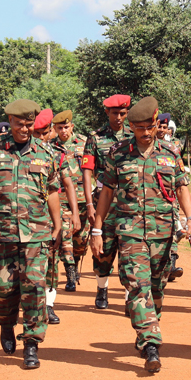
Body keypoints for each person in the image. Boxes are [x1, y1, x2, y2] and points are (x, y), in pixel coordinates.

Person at [91, 96, 191, 373]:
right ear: (132, 127)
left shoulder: (170, 153)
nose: (146, 133)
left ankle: (148, 327)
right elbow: (106, 192)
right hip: (130, 232)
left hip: (163, 232)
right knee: (138, 286)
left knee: (156, 286)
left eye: (150, 127)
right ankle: (151, 342)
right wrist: (97, 228)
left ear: (156, 122)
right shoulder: (118, 153)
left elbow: (182, 188)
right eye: (139, 128)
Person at [0, 99, 62, 369]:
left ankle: (31, 344)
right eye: (20, 123)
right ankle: (6, 323)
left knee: (35, 289)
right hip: (1, 234)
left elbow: (53, 190)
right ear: (10, 122)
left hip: (36, 234)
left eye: (29, 124)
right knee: (3, 289)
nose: (25, 128)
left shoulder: (46, 154)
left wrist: (58, 225)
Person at [82, 94, 133, 309]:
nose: (119, 117)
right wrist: (89, 204)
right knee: (104, 248)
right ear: (107, 113)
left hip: (130, 201)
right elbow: (87, 171)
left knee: (131, 248)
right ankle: (102, 289)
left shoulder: (134, 134)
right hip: (104, 200)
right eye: (115, 113)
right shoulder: (95, 138)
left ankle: (130, 296)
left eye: (123, 113)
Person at [32, 109, 79, 324]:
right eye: (37, 134)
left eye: (44, 133)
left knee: (51, 260)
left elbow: (68, 184)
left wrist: (75, 213)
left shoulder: (55, 156)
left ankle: (49, 304)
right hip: (27, 219)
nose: (41, 138)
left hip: (52, 215)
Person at [53, 110, 90, 291]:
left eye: (66, 127)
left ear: (72, 127)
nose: (63, 131)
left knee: (81, 240)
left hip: (84, 198)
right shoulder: (50, 147)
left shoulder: (84, 144)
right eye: (59, 128)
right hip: (61, 200)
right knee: (65, 236)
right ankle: (70, 274)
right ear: (55, 128)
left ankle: (74, 263)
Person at [157, 112, 183, 281]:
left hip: (171, 197)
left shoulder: (174, 146)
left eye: (165, 127)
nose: (161, 130)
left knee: (173, 230)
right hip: (154, 198)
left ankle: (171, 264)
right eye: (159, 126)